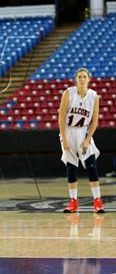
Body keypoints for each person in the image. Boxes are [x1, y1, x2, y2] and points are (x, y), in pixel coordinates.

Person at [58, 67, 104, 214]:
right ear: (75, 79)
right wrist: (64, 139)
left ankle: (97, 201)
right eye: (79, 77)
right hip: (68, 130)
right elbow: (61, 117)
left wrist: (87, 139)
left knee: (91, 165)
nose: (82, 79)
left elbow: (95, 121)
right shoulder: (68, 93)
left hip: (84, 131)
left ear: (89, 79)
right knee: (71, 167)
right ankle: (73, 202)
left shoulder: (94, 96)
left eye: (84, 76)